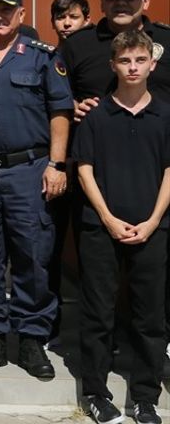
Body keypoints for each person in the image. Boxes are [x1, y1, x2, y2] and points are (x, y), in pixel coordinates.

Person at [0, 0, 71, 379]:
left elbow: (61, 111)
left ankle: (31, 337)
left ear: (22, 15)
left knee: (33, 257)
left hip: (30, 172)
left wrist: (56, 165)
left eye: (7, 10)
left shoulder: (42, 58)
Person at [73, 31, 168, 424]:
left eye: (139, 60)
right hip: (100, 229)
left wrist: (153, 220)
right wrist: (109, 219)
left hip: (152, 229)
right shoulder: (96, 116)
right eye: (125, 61)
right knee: (98, 313)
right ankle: (95, 393)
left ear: (152, 64)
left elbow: (169, 171)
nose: (132, 68)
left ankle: (145, 396)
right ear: (113, 65)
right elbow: (84, 170)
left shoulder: (165, 115)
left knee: (150, 317)